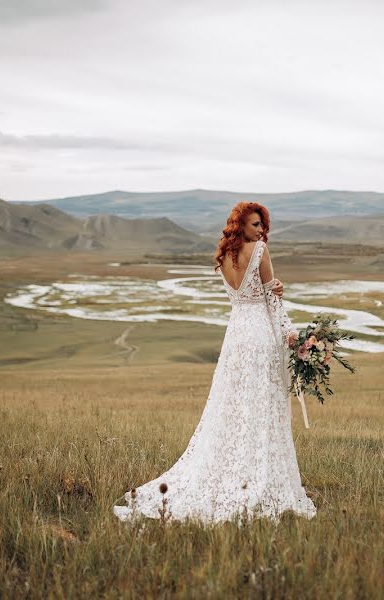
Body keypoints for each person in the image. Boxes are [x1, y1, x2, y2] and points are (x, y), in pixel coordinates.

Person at [112, 201, 317, 525]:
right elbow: (273, 305)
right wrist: (296, 339)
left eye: (262, 225)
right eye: (254, 225)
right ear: (240, 225)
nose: (261, 231)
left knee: (232, 405)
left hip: (236, 335)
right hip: (260, 335)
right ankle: (256, 479)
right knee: (260, 406)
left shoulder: (223, 257)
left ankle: (231, 470)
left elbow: (244, 296)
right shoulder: (260, 251)